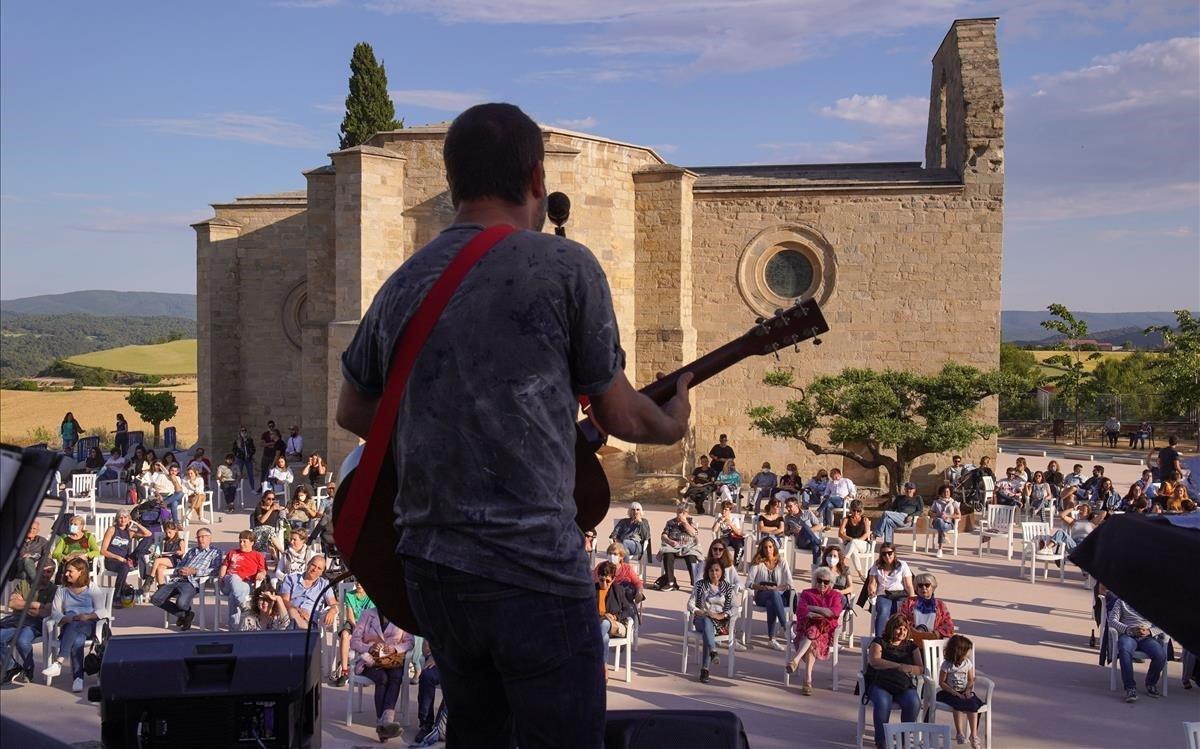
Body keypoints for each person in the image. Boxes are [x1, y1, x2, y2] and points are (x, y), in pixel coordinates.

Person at [335, 103, 692, 748]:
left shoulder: (404, 281)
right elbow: (619, 411)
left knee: (477, 733)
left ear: (452, 184)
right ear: (535, 180)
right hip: (533, 568)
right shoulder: (566, 268)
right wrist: (670, 425)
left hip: (433, 571)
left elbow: (354, 410)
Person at [41, 558, 107, 692]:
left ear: (81, 571)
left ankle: (59, 662)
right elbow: (55, 613)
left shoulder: (91, 587)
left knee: (77, 623)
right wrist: (69, 618)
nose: (66, 574)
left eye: (70, 571)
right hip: (70, 625)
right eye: (66, 571)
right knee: (77, 640)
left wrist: (87, 616)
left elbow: (102, 611)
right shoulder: (62, 590)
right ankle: (78, 679)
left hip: (88, 625)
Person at [350, 605, 414, 740]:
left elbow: (410, 642)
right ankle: (383, 723)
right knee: (382, 678)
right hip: (371, 661)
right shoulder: (367, 614)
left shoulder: (402, 616)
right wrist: (370, 647)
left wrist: (394, 649)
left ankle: (385, 722)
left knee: (396, 676)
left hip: (392, 660)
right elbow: (354, 642)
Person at [864, 614, 923, 749]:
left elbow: (920, 668)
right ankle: (881, 742)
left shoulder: (911, 647)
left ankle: (903, 741)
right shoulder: (879, 642)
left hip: (902, 684)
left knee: (914, 702)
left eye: (904, 629)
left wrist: (909, 668)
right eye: (898, 629)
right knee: (883, 703)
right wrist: (898, 666)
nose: (902, 632)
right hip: (880, 683)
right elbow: (874, 661)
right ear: (891, 628)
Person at [785, 566, 843, 695]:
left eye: (826, 582)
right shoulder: (807, 593)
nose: (822, 584)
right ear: (815, 580)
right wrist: (819, 612)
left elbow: (833, 612)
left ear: (831, 583)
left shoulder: (835, 595)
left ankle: (796, 661)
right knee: (812, 632)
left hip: (825, 633)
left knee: (814, 632)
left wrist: (812, 608)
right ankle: (807, 680)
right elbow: (801, 610)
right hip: (806, 631)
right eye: (819, 580)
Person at [151, 527, 221, 630]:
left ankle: (184, 615)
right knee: (155, 598)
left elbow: (215, 570)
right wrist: (179, 570)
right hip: (177, 579)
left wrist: (195, 571)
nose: (200, 539)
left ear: (210, 538)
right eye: (198, 537)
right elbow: (181, 564)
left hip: (192, 582)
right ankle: (185, 615)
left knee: (181, 603)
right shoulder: (192, 551)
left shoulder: (215, 552)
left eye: (203, 537)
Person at [1, 562, 56, 684]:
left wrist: (23, 605)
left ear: (53, 573)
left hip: (36, 624)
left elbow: (46, 612)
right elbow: (12, 604)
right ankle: (12, 666)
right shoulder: (24, 584)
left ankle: (28, 669)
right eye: (43, 570)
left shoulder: (53, 589)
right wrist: (34, 605)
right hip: (16, 621)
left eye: (49, 571)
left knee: (22, 641)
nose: (45, 574)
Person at [1107, 595, 1167, 702]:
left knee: (1160, 655)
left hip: (1147, 637)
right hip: (1128, 634)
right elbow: (1112, 620)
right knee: (1124, 650)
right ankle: (1130, 688)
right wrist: (1128, 629)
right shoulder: (1121, 601)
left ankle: (1150, 683)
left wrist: (1149, 632)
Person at [687, 558, 735, 684]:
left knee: (708, 632)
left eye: (717, 570)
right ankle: (712, 653)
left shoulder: (727, 587)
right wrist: (699, 611)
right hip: (701, 619)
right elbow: (690, 604)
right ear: (707, 572)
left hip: (720, 622)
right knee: (707, 619)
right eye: (711, 570)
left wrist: (724, 614)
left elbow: (735, 607)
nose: (714, 573)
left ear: (722, 571)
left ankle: (705, 668)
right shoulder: (700, 585)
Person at [937, 634, 986, 748]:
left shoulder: (967, 663)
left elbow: (970, 679)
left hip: (964, 691)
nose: (967, 654)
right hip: (949, 692)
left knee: (973, 705)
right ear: (958, 652)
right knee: (958, 705)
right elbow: (942, 682)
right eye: (965, 651)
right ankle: (960, 733)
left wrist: (968, 690)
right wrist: (955, 693)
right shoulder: (947, 665)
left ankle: (973, 735)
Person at [746, 536, 793, 650]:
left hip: (778, 595)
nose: (768, 550)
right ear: (762, 549)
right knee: (772, 595)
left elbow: (790, 583)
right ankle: (785, 627)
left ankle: (772, 639)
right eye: (765, 547)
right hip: (761, 595)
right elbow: (748, 583)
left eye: (770, 547)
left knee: (772, 600)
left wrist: (777, 588)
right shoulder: (758, 562)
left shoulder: (782, 561)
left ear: (774, 547)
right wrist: (762, 587)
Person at [99, 508, 152, 605]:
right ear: (117, 519)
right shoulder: (112, 529)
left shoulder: (130, 532)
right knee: (125, 567)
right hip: (112, 561)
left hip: (126, 559)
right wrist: (118, 558)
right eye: (120, 518)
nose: (123, 520)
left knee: (148, 540)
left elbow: (148, 534)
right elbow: (103, 551)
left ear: (129, 519)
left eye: (125, 517)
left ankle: (138, 556)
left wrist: (135, 523)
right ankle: (116, 596)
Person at [218, 530, 268, 629]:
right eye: (240, 541)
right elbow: (224, 566)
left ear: (252, 542)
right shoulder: (232, 552)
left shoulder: (258, 555)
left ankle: (233, 629)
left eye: (244, 541)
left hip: (246, 584)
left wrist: (262, 574)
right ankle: (245, 607)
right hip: (228, 582)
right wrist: (221, 578)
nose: (241, 544)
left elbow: (263, 571)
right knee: (234, 577)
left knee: (233, 596)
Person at [865, 543, 914, 637]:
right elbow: (872, 583)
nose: (887, 556)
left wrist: (912, 601)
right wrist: (871, 592)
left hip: (900, 594)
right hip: (883, 594)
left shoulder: (902, 565)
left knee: (900, 613)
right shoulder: (876, 565)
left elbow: (909, 586)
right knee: (883, 611)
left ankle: (900, 638)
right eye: (884, 554)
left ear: (894, 553)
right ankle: (880, 639)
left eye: (889, 553)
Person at [279, 555, 339, 631]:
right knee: (292, 612)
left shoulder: (324, 584)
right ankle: (304, 635)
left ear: (321, 572)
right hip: (290, 616)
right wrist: (298, 610)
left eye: (319, 568)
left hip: (310, 619)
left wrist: (333, 610)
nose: (315, 569)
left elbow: (333, 604)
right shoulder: (291, 579)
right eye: (313, 565)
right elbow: (284, 600)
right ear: (308, 564)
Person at [332, 581, 375, 687]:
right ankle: (344, 671)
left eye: (362, 582)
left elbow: (371, 616)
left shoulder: (371, 596)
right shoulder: (350, 595)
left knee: (371, 637)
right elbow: (350, 616)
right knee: (345, 635)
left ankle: (364, 668)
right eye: (358, 582)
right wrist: (357, 630)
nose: (359, 584)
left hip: (367, 624)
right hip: (353, 623)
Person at [898, 572, 955, 642]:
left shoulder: (940, 605)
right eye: (920, 585)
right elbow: (900, 620)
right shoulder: (909, 602)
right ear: (916, 588)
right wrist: (915, 632)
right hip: (912, 640)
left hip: (933, 641)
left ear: (933, 587)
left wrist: (935, 634)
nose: (923, 588)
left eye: (927, 585)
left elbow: (949, 626)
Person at [595, 561, 637, 656]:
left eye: (608, 581)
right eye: (601, 580)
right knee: (604, 637)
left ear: (613, 579)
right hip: (597, 625)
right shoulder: (592, 590)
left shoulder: (618, 590)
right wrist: (602, 615)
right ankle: (603, 667)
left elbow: (628, 610)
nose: (604, 584)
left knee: (605, 623)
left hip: (616, 626)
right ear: (598, 577)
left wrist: (615, 616)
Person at [656, 506, 701, 590]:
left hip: (688, 547)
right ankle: (670, 582)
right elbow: (663, 535)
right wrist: (669, 541)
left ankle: (695, 583)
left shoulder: (691, 521)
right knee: (667, 555)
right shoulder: (670, 522)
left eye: (684, 512)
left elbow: (693, 533)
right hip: (673, 546)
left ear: (687, 513)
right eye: (679, 512)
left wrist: (684, 522)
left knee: (691, 557)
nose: (681, 514)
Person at [783, 496, 825, 566]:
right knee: (804, 527)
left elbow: (819, 526)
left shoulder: (808, 513)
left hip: (812, 541)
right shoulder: (787, 518)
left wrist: (807, 530)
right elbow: (786, 533)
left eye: (790, 506)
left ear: (796, 505)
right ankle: (819, 543)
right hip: (801, 542)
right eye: (786, 507)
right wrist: (792, 531)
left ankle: (816, 571)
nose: (788, 508)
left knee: (816, 547)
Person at [838, 500, 872, 581]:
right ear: (850, 510)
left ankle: (844, 561)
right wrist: (849, 539)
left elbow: (867, 534)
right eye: (854, 510)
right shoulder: (846, 519)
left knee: (853, 544)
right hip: (851, 545)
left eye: (859, 511)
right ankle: (861, 575)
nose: (856, 513)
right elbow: (840, 534)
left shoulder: (865, 520)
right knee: (853, 551)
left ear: (861, 510)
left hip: (863, 544)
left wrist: (856, 541)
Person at [8, 520, 51, 585]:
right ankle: (36, 583)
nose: (31, 530)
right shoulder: (17, 540)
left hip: (34, 568)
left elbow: (47, 555)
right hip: (18, 567)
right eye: (29, 528)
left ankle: (31, 582)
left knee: (24, 574)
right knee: (26, 560)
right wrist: (22, 557)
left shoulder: (42, 541)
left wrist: (36, 561)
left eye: (34, 529)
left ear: (38, 530)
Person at [927, 485, 961, 558]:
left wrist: (948, 516)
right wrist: (937, 514)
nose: (946, 493)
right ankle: (944, 536)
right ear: (941, 493)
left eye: (948, 492)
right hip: (936, 522)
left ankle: (940, 549)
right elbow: (929, 513)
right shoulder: (936, 502)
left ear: (950, 493)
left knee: (941, 526)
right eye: (944, 492)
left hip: (949, 524)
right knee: (939, 521)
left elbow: (959, 516)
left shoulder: (954, 503)